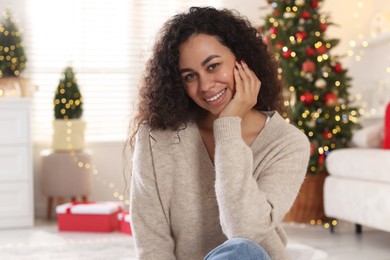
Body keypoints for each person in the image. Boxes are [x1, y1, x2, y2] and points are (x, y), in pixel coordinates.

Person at [129, 6, 310, 260]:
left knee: (243, 251)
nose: (204, 86)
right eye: (190, 76)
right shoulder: (157, 136)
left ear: (243, 60)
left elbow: (244, 231)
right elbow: (152, 242)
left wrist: (228, 126)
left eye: (213, 66)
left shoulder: (287, 143)